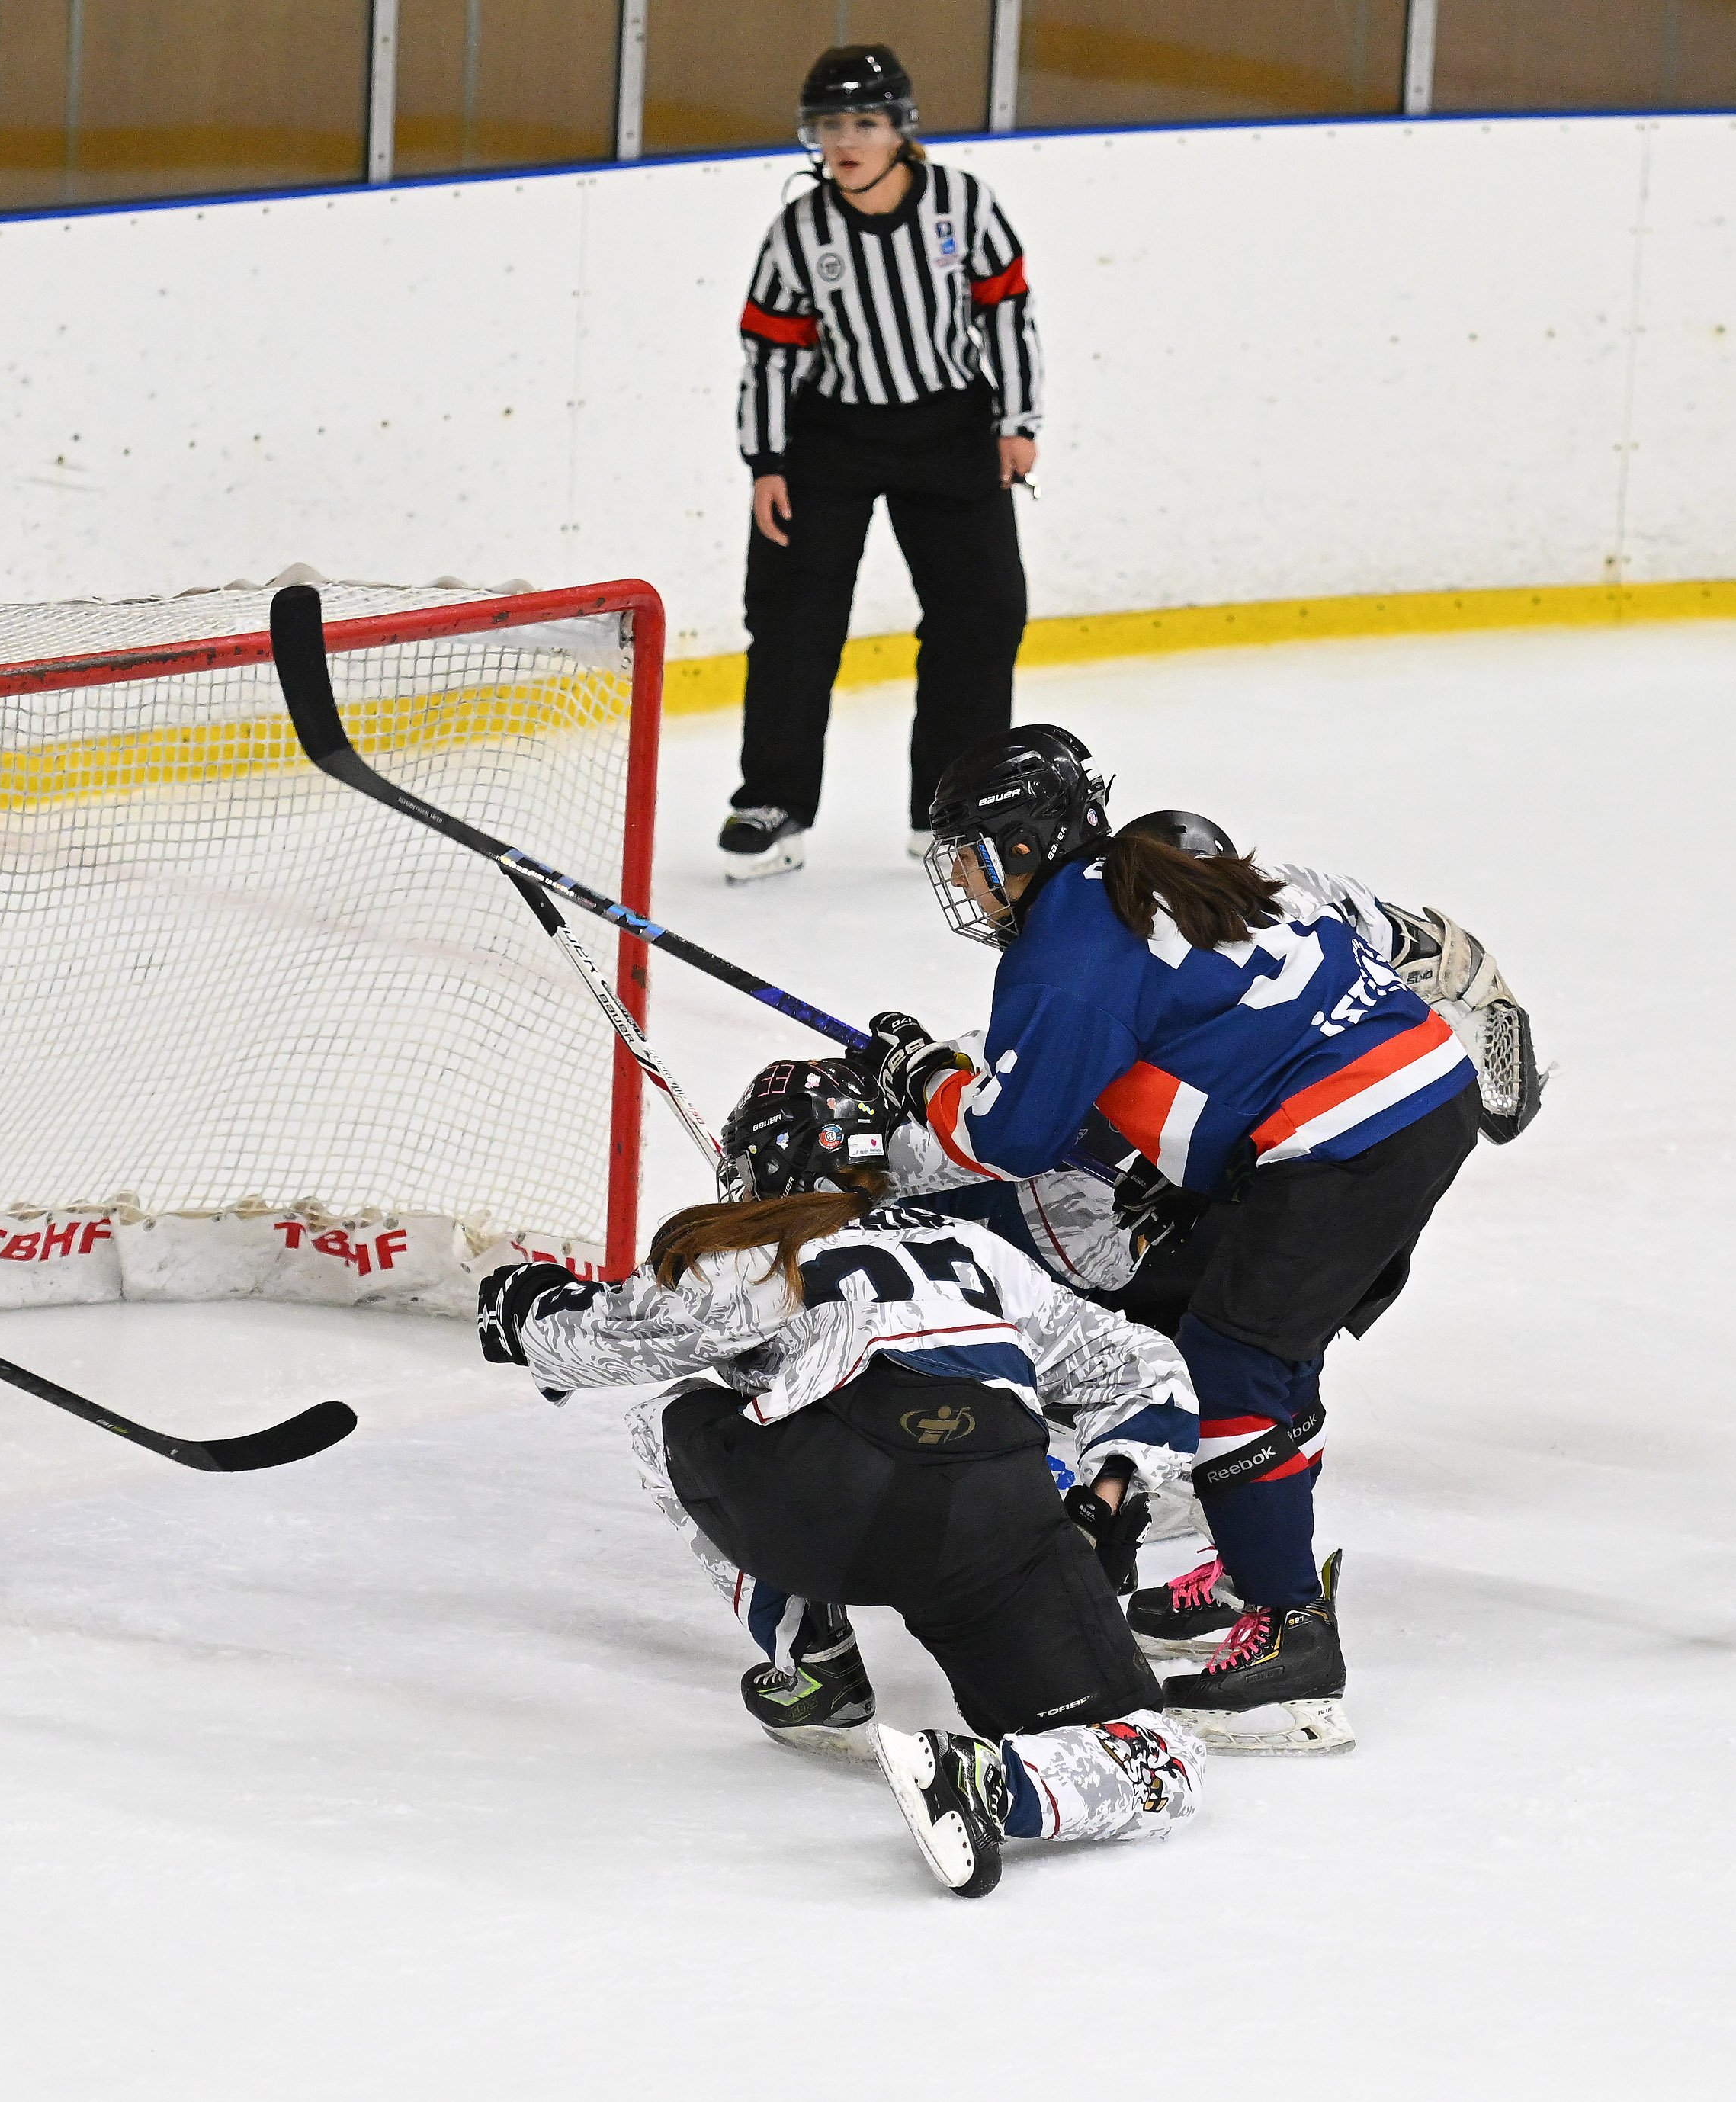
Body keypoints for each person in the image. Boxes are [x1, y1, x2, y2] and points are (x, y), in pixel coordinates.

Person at [866, 728, 1530, 1753]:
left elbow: (1009, 1136)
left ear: (1022, 843)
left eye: (968, 849)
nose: (958, 873)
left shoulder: (1064, 954)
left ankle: (1287, 1641)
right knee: (1255, 1334)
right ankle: (1248, 1556)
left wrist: (922, 1078)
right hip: (1410, 1091)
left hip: (1342, 1136)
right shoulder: (1150, 865)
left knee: (1234, 1358)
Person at [477, 1057, 1204, 1899]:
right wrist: (1107, 1491)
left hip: (841, 1506)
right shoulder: (975, 1248)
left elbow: (595, 1345)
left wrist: (523, 1304)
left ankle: (816, 1668)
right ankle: (990, 1781)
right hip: (1003, 1523)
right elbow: (1146, 1364)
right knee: (1156, 1758)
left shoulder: (750, 1249)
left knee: (674, 1414)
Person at [721, 43, 1041, 883]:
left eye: (863, 121)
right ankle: (773, 801)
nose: (846, 141)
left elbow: (1005, 311)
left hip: (951, 431)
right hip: (829, 440)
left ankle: (955, 808)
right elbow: (769, 352)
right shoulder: (799, 230)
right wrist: (766, 461)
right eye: (830, 125)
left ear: (899, 129)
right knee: (791, 621)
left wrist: (1016, 420)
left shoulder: (962, 205)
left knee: (981, 616)